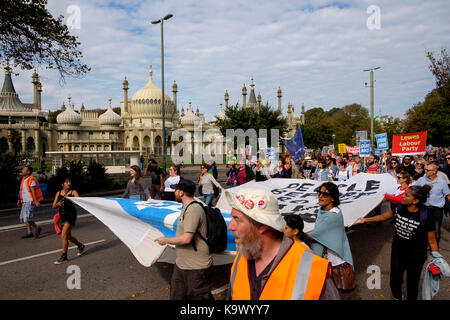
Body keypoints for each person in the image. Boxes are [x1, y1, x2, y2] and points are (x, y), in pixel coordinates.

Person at [225, 187, 340, 300]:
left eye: (237, 219)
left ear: (263, 225)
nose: (230, 227)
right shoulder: (241, 257)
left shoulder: (311, 269)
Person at [358, 185, 439, 300]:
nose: (403, 196)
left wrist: (436, 259)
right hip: (398, 250)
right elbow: (384, 216)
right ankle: (397, 297)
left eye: (406, 195)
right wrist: (366, 219)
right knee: (395, 279)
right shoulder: (399, 207)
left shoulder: (426, 215)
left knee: (413, 282)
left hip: (417, 255)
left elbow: (432, 240)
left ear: (415, 201)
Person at [154, 179, 214, 300]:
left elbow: (187, 238)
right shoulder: (185, 207)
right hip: (182, 264)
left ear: (181, 192)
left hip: (196, 267)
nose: (174, 192)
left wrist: (166, 240)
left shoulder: (193, 209)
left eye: (176, 189)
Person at [307, 182, 356, 292]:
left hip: (335, 260)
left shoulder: (333, 215)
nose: (320, 196)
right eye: (319, 192)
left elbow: (315, 235)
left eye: (325, 194)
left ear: (333, 198)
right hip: (327, 257)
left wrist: (294, 233)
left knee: (332, 292)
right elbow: (318, 231)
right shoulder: (323, 211)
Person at [412, 161, 450, 246]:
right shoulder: (421, 180)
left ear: (434, 172)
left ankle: (435, 248)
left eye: (428, 170)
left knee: (436, 228)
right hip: (423, 208)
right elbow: (413, 190)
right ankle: (423, 245)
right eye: (425, 169)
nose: (425, 171)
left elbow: (448, 195)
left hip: (437, 210)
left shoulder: (442, 182)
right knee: (422, 227)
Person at [52, 178, 85, 264]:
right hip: (62, 217)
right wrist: (57, 204)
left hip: (71, 216)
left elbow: (79, 201)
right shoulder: (58, 193)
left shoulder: (73, 192)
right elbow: (53, 206)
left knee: (63, 235)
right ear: (62, 184)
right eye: (66, 182)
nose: (69, 183)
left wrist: (73, 199)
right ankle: (80, 245)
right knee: (68, 236)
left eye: (70, 182)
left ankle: (64, 256)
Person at [17, 165, 42, 239]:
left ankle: (37, 227)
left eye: (24, 169)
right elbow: (23, 191)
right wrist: (19, 200)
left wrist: (36, 201)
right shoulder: (24, 179)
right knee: (25, 217)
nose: (22, 170)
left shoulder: (31, 179)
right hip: (24, 201)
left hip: (30, 201)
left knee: (27, 217)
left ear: (28, 172)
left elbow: (33, 191)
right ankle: (29, 232)